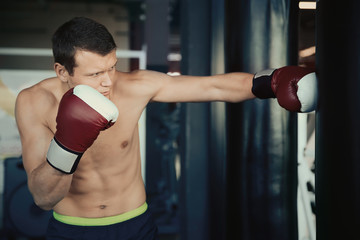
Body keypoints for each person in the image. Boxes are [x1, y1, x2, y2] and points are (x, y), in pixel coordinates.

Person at [15, 17, 317, 240]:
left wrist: (271, 81)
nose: (108, 81)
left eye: (111, 67)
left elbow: (212, 86)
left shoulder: (133, 85)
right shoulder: (33, 102)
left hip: (136, 225)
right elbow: (43, 198)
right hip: (72, 229)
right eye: (95, 74)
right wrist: (68, 145)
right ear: (62, 71)